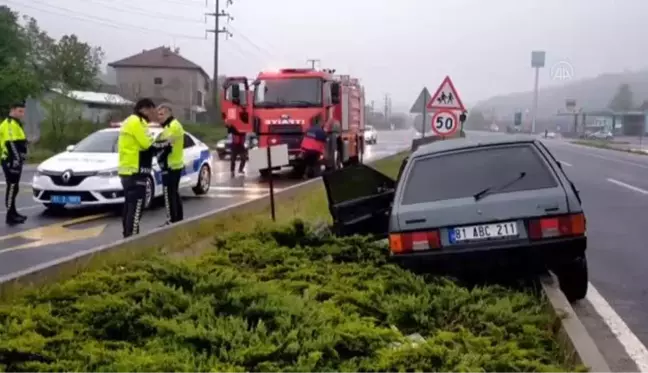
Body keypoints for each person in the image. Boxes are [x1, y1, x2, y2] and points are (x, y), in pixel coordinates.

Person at [117, 98, 168, 238]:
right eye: (152, 111)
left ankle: (127, 236)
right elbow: (146, 144)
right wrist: (162, 142)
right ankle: (131, 239)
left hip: (127, 169)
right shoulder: (137, 122)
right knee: (136, 208)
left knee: (129, 206)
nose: (154, 115)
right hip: (136, 171)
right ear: (144, 109)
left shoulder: (129, 121)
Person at [155, 103, 184, 225]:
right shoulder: (171, 126)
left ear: (168, 114)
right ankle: (178, 220)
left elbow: (164, 144)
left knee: (169, 195)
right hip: (174, 164)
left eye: (161, 114)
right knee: (174, 194)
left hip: (170, 165)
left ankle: (171, 220)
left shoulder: (173, 126)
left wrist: (154, 145)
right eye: (158, 114)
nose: (159, 117)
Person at [0, 101, 28, 225]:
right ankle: (10, 216)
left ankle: (13, 212)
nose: (22, 114)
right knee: (11, 187)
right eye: (20, 111)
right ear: (12, 110)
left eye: (23, 112)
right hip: (10, 161)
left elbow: (20, 142)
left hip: (15, 160)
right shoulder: (9, 124)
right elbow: (10, 144)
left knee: (15, 187)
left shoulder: (16, 124)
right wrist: (16, 162)